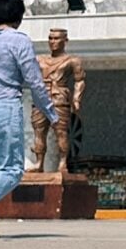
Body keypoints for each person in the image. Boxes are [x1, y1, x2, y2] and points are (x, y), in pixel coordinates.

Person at [0, 0, 60, 236]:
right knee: (11, 170)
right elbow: (34, 81)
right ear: (18, 18)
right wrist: (52, 113)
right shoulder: (19, 41)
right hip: (4, 107)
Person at [28, 27, 85, 174]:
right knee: (39, 132)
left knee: (61, 132)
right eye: (50, 38)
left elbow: (80, 80)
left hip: (59, 97)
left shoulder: (72, 60)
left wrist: (77, 99)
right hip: (41, 98)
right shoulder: (39, 59)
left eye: (57, 38)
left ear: (65, 41)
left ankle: (62, 162)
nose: (53, 42)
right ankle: (39, 163)